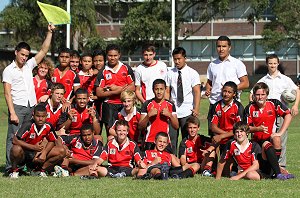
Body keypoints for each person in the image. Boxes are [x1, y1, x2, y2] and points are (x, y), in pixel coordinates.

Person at [2, 24, 55, 172]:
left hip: (31, 107)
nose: (24, 57)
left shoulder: (29, 65)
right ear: (16, 53)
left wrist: (49, 32)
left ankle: (25, 166)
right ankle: (9, 167)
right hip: (17, 107)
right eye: (22, 54)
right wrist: (12, 112)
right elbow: (7, 93)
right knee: (13, 138)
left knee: (29, 138)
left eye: (26, 55)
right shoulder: (8, 70)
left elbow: (44, 50)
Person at [249, 54, 300, 168]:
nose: (272, 65)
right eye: (270, 63)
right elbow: (252, 94)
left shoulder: (285, 79)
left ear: (278, 64)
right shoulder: (263, 80)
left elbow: (297, 90)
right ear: (267, 64)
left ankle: (281, 166)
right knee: (268, 138)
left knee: (281, 138)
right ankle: (270, 165)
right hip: (267, 114)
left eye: (274, 63)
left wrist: (295, 106)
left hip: (281, 113)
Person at [245, 82, 294, 179]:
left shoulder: (274, 103)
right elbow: (245, 128)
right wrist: (257, 129)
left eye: (263, 94)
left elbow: (288, 115)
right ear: (254, 96)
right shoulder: (250, 108)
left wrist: (280, 132)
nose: (260, 97)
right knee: (265, 145)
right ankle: (278, 172)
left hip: (269, 139)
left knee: (276, 139)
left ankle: (276, 171)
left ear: (267, 95)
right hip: (256, 143)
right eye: (258, 95)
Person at [205, 36, 249, 135]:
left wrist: (229, 90)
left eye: (224, 46)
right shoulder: (212, 64)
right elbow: (209, 82)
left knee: (234, 135)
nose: (221, 49)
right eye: (219, 46)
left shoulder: (237, 63)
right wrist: (208, 89)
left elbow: (245, 83)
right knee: (214, 137)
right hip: (215, 103)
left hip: (232, 105)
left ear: (229, 47)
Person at [9, 105, 65, 179]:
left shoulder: (48, 126)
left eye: (43, 116)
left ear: (46, 116)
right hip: (25, 153)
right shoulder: (28, 125)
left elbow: (52, 141)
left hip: (37, 153)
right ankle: (14, 171)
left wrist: (44, 153)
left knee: (61, 151)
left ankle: (40, 170)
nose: (40, 119)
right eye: (38, 116)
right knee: (16, 149)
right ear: (33, 115)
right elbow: (15, 140)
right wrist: (33, 147)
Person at [165, 47, 201, 152]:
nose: (177, 61)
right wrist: (168, 108)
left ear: (185, 58)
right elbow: (167, 91)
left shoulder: (192, 73)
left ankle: (185, 161)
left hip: (187, 110)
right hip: (173, 112)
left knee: (186, 139)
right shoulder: (169, 73)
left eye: (179, 59)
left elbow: (197, 92)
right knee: (172, 139)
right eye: (175, 59)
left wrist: (197, 108)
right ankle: (171, 163)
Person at [95, 44, 135, 133]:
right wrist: (116, 91)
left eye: (115, 55)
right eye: (110, 55)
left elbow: (132, 87)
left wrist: (117, 89)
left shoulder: (126, 68)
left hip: (124, 104)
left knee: (124, 131)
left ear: (119, 55)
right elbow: (99, 92)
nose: (112, 58)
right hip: (108, 105)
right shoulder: (103, 71)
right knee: (111, 132)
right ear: (106, 56)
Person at [139, 79, 179, 152]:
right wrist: (148, 116)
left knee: (168, 163)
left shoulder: (170, 105)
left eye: (161, 89)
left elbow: (176, 126)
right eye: (156, 89)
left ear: (165, 89)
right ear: (153, 90)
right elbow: (140, 126)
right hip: (150, 141)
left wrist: (169, 115)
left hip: (165, 142)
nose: (159, 92)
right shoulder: (147, 104)